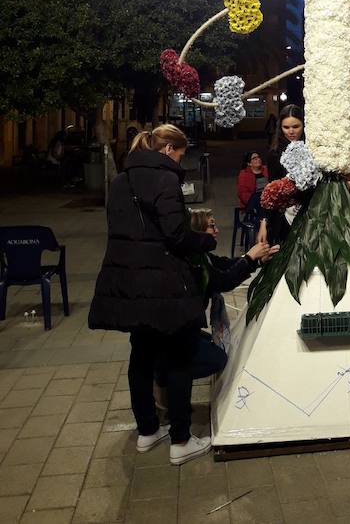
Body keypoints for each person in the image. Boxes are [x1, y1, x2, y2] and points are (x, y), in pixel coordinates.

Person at [89, 125, 217, 466]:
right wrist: (205, 241)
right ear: (167, 150)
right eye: (180, 152)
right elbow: (176, 235)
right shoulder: (165, 181)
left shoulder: (120, 181)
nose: (181, 158)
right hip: (162, 284)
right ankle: (180, 439)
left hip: (127, 282)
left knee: (141, 356)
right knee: (178, 358)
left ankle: (147, 431)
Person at [154, 208, 277, 409]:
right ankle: (164, 377)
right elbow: (223, 280)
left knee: (209, 343)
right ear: (198, 231)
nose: (217, 230)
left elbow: (226, 265)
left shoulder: (202, 256)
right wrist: (249, 258)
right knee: (216, 359)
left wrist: (255, 260)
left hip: (178, 330)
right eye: (212, 226)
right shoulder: (194, 262)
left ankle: (165, 374)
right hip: (174, 331)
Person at [257, 104, 304, 244]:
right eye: (286, 127)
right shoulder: (274, 153)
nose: (291, 131)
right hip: (286, 217)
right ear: (280, 128)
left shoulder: (314, 148)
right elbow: (272, 189)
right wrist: (264, 222)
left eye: (296, 126)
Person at [236, 151, 269, 226]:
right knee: (258, 197)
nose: (258, 159)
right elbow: (243, 194)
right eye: (254, 158)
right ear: (249, 163)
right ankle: (262, 223)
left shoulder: (266, 170)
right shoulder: (244, 174)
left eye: (258, 157)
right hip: (253, 201)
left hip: (268, 199)